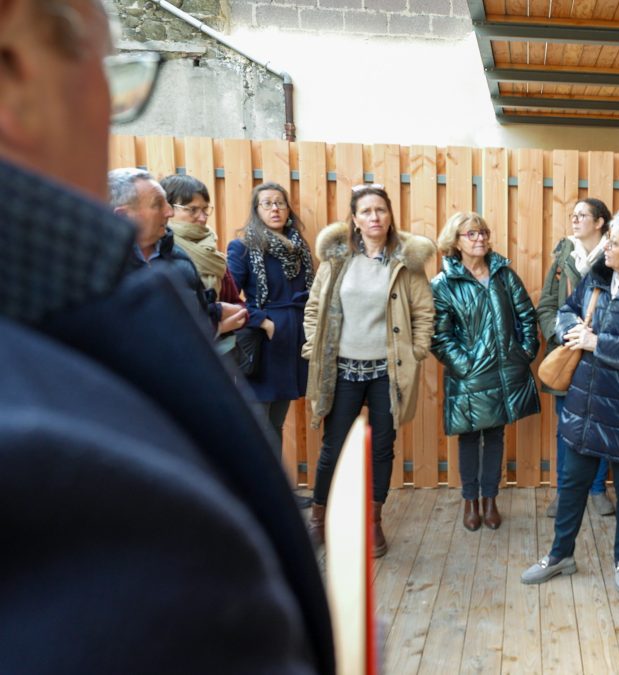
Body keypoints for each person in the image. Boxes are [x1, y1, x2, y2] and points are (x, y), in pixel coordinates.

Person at [0, 0, 333, 671]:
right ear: (19, 59)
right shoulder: (45, 440)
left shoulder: (76, 306)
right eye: (112, 77)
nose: (113, 119)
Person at [521, 207, 619, 595]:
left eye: (615, 241)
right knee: (572, 484)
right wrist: (571, 330)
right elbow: (564, 311)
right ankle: (560, 555)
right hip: (585, 403)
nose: (606, 245)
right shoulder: (597, 279)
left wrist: (599, 343)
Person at [302, 185, 435, 557]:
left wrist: (416, 350)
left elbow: (424, 312)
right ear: (355, 219)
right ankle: (319, 520)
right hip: (342, 369)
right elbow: (314, 310)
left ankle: (373, 521)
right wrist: (315, 348)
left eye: (380, 210)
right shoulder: (337, 260)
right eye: (366, 211)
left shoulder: (405, 263)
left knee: (381, 448)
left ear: (390, 215)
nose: (374, 217)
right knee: (333, 447)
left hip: (386, 372)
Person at [431, 212, 540, 531]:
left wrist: (524, 353)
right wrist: (465, 365)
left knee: (494, 436)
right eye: (471, 234)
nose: (479, 238)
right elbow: (438, 335)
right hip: (468, 376)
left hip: (506, 373)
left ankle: (490, 500)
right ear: (456, 241)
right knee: (468, 439)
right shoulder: (443, 284)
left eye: (483, 232)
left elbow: (526, 317)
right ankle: (470, 501)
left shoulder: (504, 276)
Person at [537, 198, 616, 518]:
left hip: (604, 356)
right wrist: (561, 335)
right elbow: (545, 306)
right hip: (567, 355)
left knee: (602, 425)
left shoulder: (616, 257)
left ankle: (597, 489)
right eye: (573, 215)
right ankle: (566, 490)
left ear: (600, 223)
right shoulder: (562, 259)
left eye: (582, 215)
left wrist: (602, 339)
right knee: (566, 427)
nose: (575, 220)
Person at [227, 182, 315, 443]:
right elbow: (229, 296)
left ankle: (273, 484)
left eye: (280, 203)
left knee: (276, 422)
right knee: (257, 424)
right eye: (267, 203)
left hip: (293, 341)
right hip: (263, 343)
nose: (275, 208)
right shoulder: (243, 247)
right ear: (257, 210)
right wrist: (261, 321)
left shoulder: (300, 248)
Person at [110, 168, 245, 336]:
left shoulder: (181, 258)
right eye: (157, 205)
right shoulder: (99, 267)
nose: (169, 212)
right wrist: (217, 327)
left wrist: (216, 314)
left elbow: (200, 313)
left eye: (205, 209)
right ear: (123, 215)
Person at [160, 173, 246, 361]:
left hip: (223, 355)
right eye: (192, 210)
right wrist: (217, 324)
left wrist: (237, 314)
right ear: (167, 208)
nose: (202, 218)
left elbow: (236, 303)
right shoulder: (158, 251)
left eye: (205, 209)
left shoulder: (211, 254)